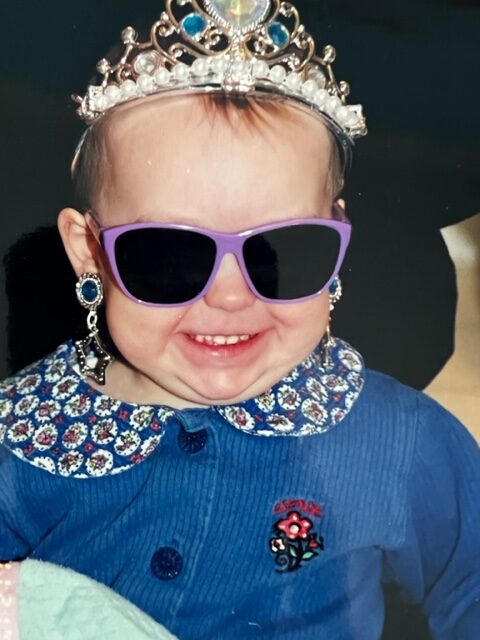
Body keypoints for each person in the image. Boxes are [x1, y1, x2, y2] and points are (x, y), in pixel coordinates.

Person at [0, 0, 478, 638]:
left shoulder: (401, 444)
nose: (230, 297)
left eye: (283, 252)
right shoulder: (22, 440)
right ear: (88, 251)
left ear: (338, 242)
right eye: (167, 256)